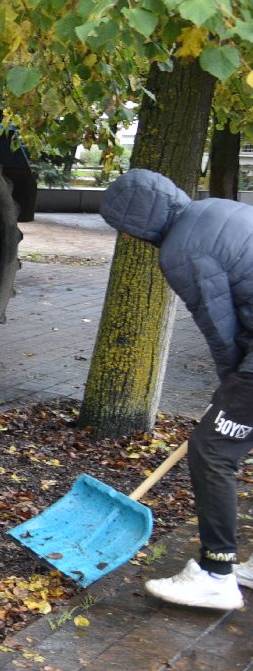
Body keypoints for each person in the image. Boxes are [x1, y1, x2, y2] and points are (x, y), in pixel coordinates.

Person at [100, 167, 253, 610]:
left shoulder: (182, 250)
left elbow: (221, 328)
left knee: (213, 449)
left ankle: (215, 573)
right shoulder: (212, 210)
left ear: (136, 224)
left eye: (123, 231)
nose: (126, 240)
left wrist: (231, 387)